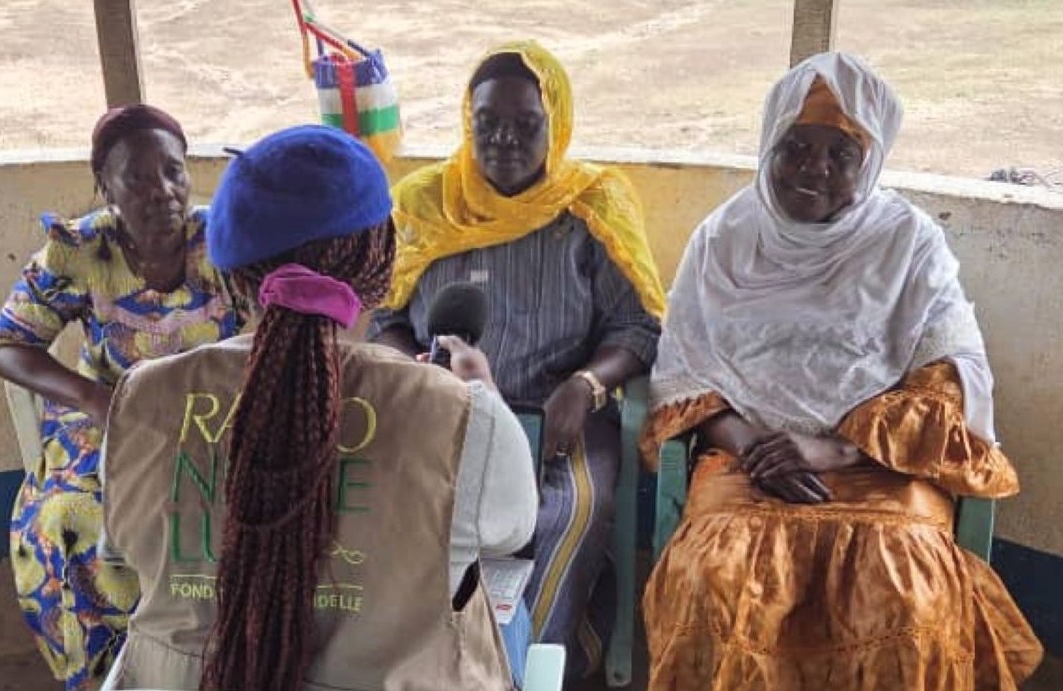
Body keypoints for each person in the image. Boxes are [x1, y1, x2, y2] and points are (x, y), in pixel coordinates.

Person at [640, 52, 1043, 690]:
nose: (813, 170)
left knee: (907, 593)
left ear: (872, 160)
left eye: (840, 155)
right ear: (769, 144)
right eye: (795, 147)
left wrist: (833, 448)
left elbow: (946, 377)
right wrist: (757, 450)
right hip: (748, 463)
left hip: (880, 467)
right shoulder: (722, 239)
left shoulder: (908, 243)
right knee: (712, 581)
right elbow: (685, 377)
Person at [97, 125, 538, 691]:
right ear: (380, 262)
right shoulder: (463, 419)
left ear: (230, 279)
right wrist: (480, 399)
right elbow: (512, 533)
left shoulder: (142, 399)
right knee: (508, 612)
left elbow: (122, 556)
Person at [369, 40, 665, 679]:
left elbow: (638, 327)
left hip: (561, 415)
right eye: (488, 124)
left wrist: (587, 385)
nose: (505, 139)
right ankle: (429, 665)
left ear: (554, 125)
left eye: (526, 124)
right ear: (465, 122)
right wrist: (413, 371)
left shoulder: (590, 207)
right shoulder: (426, 204)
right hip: (440, 407)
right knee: (404, 510)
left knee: (567, 512)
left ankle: (517, 668)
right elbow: (384, 319)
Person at [0, 104, 248, 690]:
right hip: (113, 419)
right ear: (106, 185)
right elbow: (4, 344)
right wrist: (92, 398)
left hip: (213, 419)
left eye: (174, 172)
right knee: (66, 518)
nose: (162, 192)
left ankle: (220, 663)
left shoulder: (225, 242)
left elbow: (274, 325)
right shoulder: (80, 251)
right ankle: (110, 672)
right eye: (138, 178)